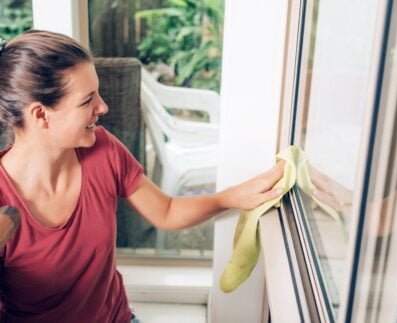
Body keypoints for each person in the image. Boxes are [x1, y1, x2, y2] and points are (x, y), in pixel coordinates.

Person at [0, 30, 285, 322]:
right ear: (40, 115)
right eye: (87, 101)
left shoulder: (103, 149)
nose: (103, 107)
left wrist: (233, 197)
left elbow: (167, 211)